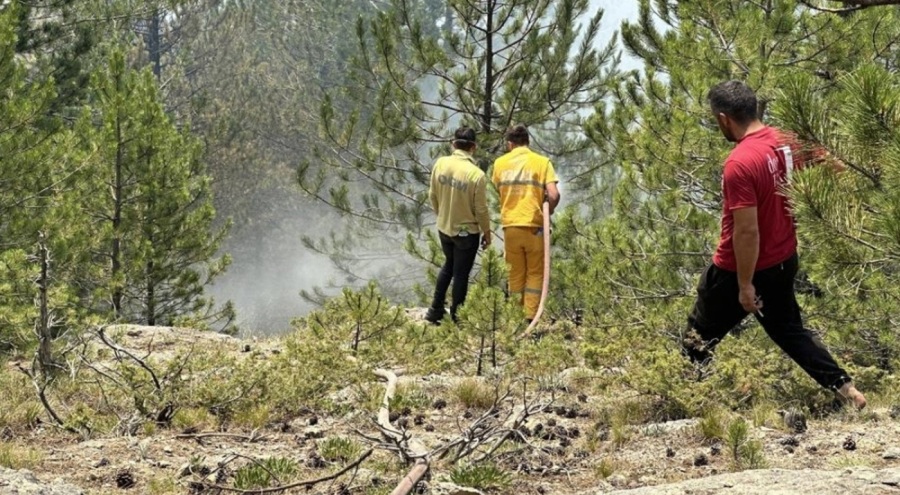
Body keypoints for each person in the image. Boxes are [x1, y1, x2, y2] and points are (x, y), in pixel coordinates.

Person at [682, 80, 866, 410]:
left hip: (736, 269)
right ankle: (846, 390)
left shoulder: (740, 162)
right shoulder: (788, 141)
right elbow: (839, 167)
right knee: (790, 331)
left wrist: (744, 285)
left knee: (697, 338)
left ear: (723, 118)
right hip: (783, 259)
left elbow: (747, 232)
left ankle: (688, 401)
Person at [492, 124, 560, 323]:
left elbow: (498, 189)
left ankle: (514, 317)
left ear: (510, 144)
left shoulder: (499, 164)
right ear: (528, 142)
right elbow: (554, 194)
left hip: (510, 227)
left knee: (515, 273)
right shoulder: (542, 162)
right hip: (534, 226)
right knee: (535, 273)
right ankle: (530, 317)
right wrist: (548, 210)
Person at [425, 127, 491, 324]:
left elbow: (432, 195)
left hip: (444, 228)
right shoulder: (476, 174)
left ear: (453, 144)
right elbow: (481, 209)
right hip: (466, 233)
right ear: (473, 147)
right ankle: (457, 317)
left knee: (449, 265)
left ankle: (435, 309)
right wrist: (487, 232)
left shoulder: (440, 163)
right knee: (461, 274)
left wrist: (442, 215)